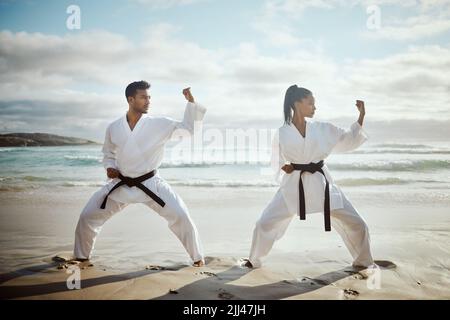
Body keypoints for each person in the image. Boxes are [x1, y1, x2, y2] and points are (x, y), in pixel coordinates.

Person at [73, 81, 206, 267]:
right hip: (121, 184)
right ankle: (81, 257)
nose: (148, 101)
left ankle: (198, 258)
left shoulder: (159, 124)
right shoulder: (114, 127)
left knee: (182, 216)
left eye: (149, 97)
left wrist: (191, 102)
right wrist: (109, 167)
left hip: (150, 183)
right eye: (144, 97)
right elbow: (108, 153)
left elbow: (188, 130)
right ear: (130, 99)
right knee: (87, 216)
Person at [244, 85, 374, 269]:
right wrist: (285, 167)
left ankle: (363, 261)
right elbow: (277, 158)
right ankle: (253, 260)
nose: (315, 107)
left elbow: (348, 139)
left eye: (314, 104)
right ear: (297, 104)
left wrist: (361, 116)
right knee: (264, 223)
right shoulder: (283, 132)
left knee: (357, 223)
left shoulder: (322, 129)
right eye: (310, 103)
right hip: (293, 186)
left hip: (321, 184)